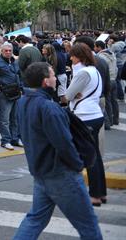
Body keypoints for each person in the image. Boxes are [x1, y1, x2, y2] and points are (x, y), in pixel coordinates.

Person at [13, 62, 103, 240]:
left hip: (41, 172)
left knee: (35, 219)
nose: (56, 78)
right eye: (53, 75)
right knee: (88, 224)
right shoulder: (49, 107)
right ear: (46, 81)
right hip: (61, 173)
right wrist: (77, 165)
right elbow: (63, 143)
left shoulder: (23, 102)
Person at [66, 42, 106, 206]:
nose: (70, 58)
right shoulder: (93, 70)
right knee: (95, 156)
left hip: (85, 117)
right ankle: (100, 193)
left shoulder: (82, 73)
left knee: (87, 158)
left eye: (73, 55)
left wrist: (74, 95)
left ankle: (94, 195)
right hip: (94, 115)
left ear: (80, 57)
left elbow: (68, 95)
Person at [0, 42, 23, 150]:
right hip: (4, 93)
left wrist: (21, 87)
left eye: (10, 50)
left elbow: (19, 75)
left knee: (15, 117)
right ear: (2, 51)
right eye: (6, 50)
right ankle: (5, 140)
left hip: (16, 92)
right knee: (5, 119)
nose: (8, 52)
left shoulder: (15, 62)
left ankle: (15, 139)